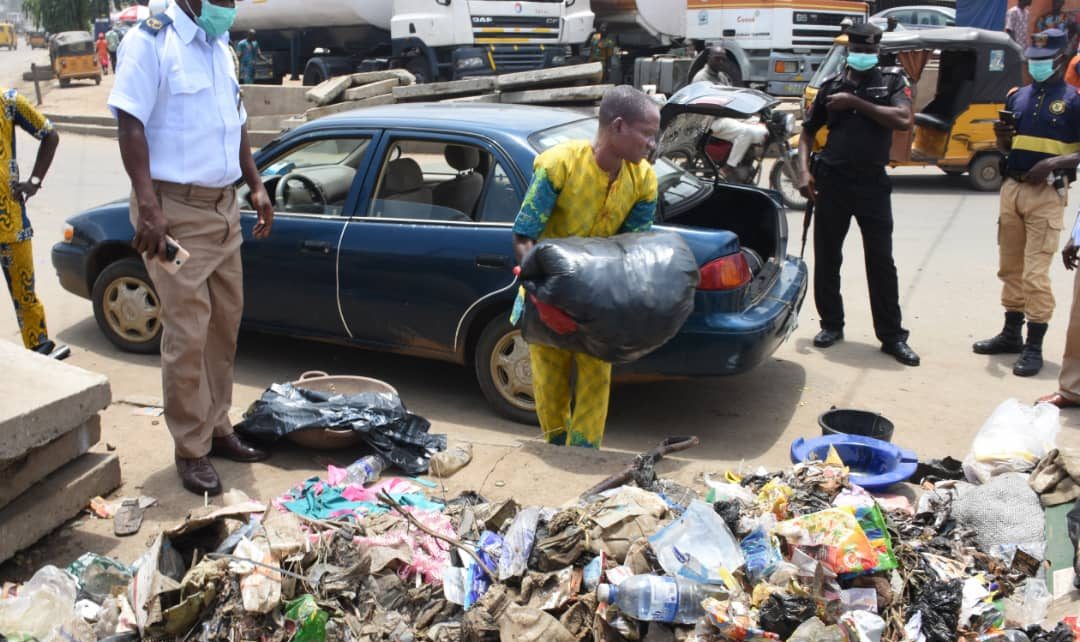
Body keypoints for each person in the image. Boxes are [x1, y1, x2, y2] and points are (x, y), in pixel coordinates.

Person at [109, 0, 276, 496]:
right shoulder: (150, 42)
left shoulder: (220, 46)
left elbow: (236, 121)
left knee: (225, 323)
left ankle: (218, 426)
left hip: (225, 209)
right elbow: (129, 124)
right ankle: (190, 448)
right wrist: (149, 207)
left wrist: (256, 183)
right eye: (222, 0)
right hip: (173, 211)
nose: (229, 7)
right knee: (188, 332)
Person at [511, 86, 659, 449]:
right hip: (545, 295)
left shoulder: (643, 181)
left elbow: (632, 249)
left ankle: (583, 457)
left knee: (596, 384)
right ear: (619, 127)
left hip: (599, 301)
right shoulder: (558, 164)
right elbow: (523, 235)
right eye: (647, 133)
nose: (652, 145)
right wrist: (544, 298)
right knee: (550, 385)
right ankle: (557, 453)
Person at [796, 22, 920, 366]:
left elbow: (903, 119)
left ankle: (892, 336)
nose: (863, 56)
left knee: (881, 261)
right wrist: (804, 172)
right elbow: (807, 132)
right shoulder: (831, 85)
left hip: (872, 185)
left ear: (876, 52)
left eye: (869, 51)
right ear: (850, 50)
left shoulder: (892, 80)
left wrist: (854, 101)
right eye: (859, 50)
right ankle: (831, 325)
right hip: (832, 181)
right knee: (828, 257)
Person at [974, 29, 1080, 377]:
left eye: (1042, 60)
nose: (1035, 65)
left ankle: (1034, 346)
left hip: (1047, 194)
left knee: (1035, 273)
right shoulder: (1017, 97)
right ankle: (1010, 334)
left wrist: (1053, 163)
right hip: (1012, 188)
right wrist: (1003, 142)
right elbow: (1009, 149)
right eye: (1031, 60)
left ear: (1060, 58)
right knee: (1010, 267)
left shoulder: (1074, 100)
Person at [0, 88, 67, 360]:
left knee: (24, 292)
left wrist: (34, 182)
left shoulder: (8, 100)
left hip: (11, 221)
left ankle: (39, 349)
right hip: (11, 222)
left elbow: (50, 134)